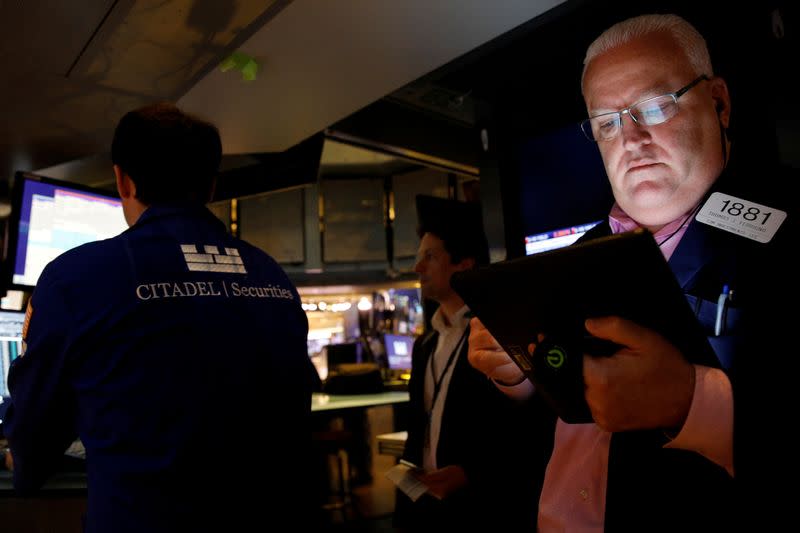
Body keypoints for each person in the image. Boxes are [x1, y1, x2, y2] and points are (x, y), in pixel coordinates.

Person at [468, 13, 797, 530]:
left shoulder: (787, 235)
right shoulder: (574, 257)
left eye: (655, 106)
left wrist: (693, 403)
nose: (631, 138)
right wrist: (521, 377)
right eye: (607, 121)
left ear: (719, 102)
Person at [3, 103, 314, 532]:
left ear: (123, 180)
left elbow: (33, 446)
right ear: (209, 186)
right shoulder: (270, 274)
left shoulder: (76, 277)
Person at [393, 195, 554, 531]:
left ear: (463, 264)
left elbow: (530, 429)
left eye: (430, 257)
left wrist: (471, 474)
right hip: (427, 508)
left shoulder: (498, 335)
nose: (417, 267)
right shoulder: (425, 343)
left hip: (485, 510)